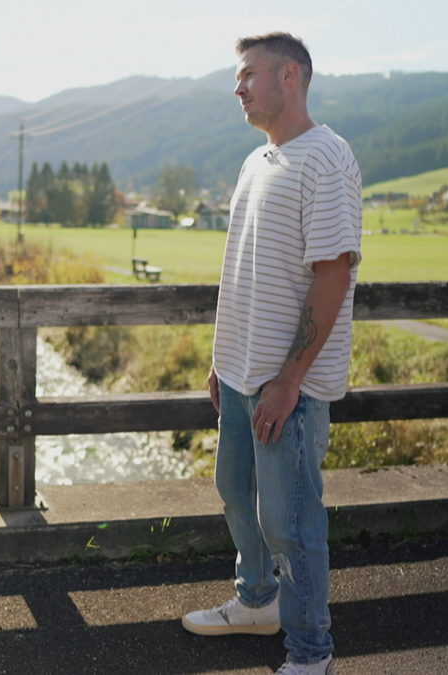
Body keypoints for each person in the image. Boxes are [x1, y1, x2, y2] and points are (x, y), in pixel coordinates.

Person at [181, 32, 362, 675]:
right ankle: (259, 602)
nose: (238, 86)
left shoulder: (327, 157)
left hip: (290, 381)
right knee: (234, 490)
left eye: (248, 74)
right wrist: (220, 357)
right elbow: (241, 272)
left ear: (290, 76)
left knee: (291, 520)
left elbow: (334, 273)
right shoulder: (256, 162)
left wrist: (289, 380)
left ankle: (311, 652)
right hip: (239, 371)